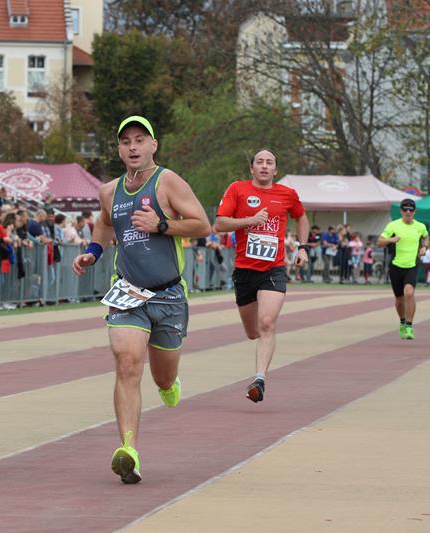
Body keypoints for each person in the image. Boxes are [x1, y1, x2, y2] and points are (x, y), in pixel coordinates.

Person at [72, 115, 210, 484]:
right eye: (126, 141)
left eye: (139, 140)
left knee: (163, 375)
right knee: (127, 364)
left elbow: (202, 224)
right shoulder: (108, 191)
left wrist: (161, 225)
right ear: (119, 149)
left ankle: (168, 384)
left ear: (153, 145)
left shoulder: (168, 182)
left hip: (168, 294)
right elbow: (105, 223)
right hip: (128, 291)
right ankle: (128, 450)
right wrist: (93, 252)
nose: (132, 147)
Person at [214, 148, 309, 404]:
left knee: (267, 323)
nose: (264, 166)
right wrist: (250, 220)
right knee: (253, 332)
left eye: (269, 163)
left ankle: (259, 380)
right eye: (260, 162)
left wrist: (302, 248)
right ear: (252, 168)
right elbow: (220, 224)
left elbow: (302, 218)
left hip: (273, 269)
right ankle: (263, 345)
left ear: (275, 170)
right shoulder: (237, 189)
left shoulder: (287, 194)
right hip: (244, 271)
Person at [377, 198, 429, 340]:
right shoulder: (393, 225)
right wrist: (390, 240)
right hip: (396, 266)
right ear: (400, 211)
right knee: (399, 299)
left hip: (412, 265)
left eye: (411, 209)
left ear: (415, 211)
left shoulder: (420, 226)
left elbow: (426, 237)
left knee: (409, 293)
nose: (408, 212)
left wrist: (424, 247)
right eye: (405, 209)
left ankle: (409, 326)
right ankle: (402, 321)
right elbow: (379, 242)